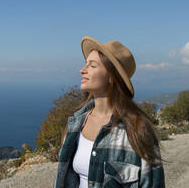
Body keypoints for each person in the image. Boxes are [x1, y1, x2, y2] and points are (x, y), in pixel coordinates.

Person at [54, 36, 165, 188]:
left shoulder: (137, 130)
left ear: (112, 77)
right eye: (85, 64)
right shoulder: (75, 123)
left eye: (92, 66)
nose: (82, 70)